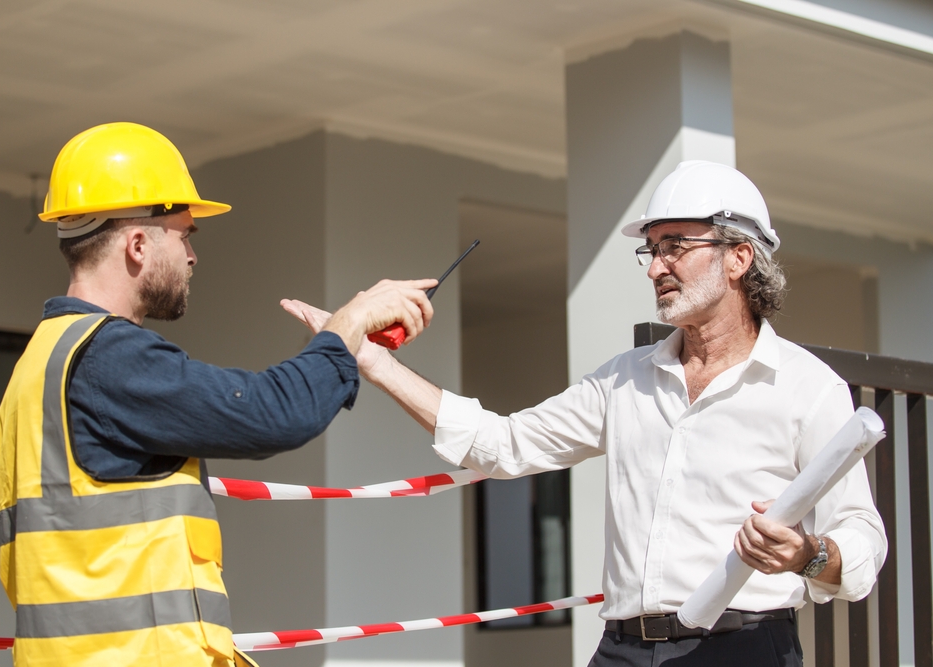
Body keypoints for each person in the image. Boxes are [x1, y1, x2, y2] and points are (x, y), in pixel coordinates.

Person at [282, 160, 887, 666]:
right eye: (651, 250)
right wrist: (373, 362)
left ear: (739, 258)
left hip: (746, 648)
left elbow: (863, 539)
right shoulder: (623, 380)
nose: (655, 266)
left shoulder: (810, 390)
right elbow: (502, 445)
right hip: (621, 650)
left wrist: (808, 555)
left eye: (675, 246)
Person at [0, 122, 436, 667]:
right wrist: (350, 324)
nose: (192, 257)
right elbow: (273, 414)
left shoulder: (40, 362)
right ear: (137, 244)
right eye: (184, 235)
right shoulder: (109, 359)